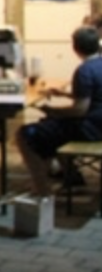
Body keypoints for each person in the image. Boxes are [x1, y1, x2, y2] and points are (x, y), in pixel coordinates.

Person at [16, 26, 102, 198]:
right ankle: (72, 178)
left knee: (26, 134)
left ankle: (42, 191)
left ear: (75, 47)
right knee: (50, 126)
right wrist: (63, 94)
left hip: (92, 129)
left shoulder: (84, 71)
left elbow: (80, 109)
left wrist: (52, 110)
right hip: (98, 124)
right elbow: (93, 96)